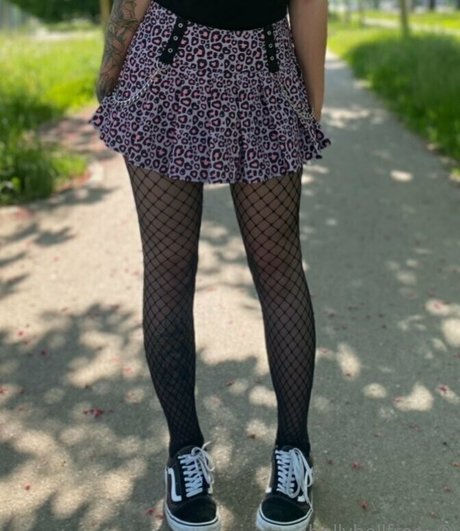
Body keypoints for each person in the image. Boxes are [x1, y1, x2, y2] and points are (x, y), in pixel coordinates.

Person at [89, 1, 332, 529]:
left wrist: (312, 101)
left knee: (278, 265)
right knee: (169, 268)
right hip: (166, 61)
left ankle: (294, 450)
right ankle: (184, 453)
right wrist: (113, 72)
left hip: (265, 65)